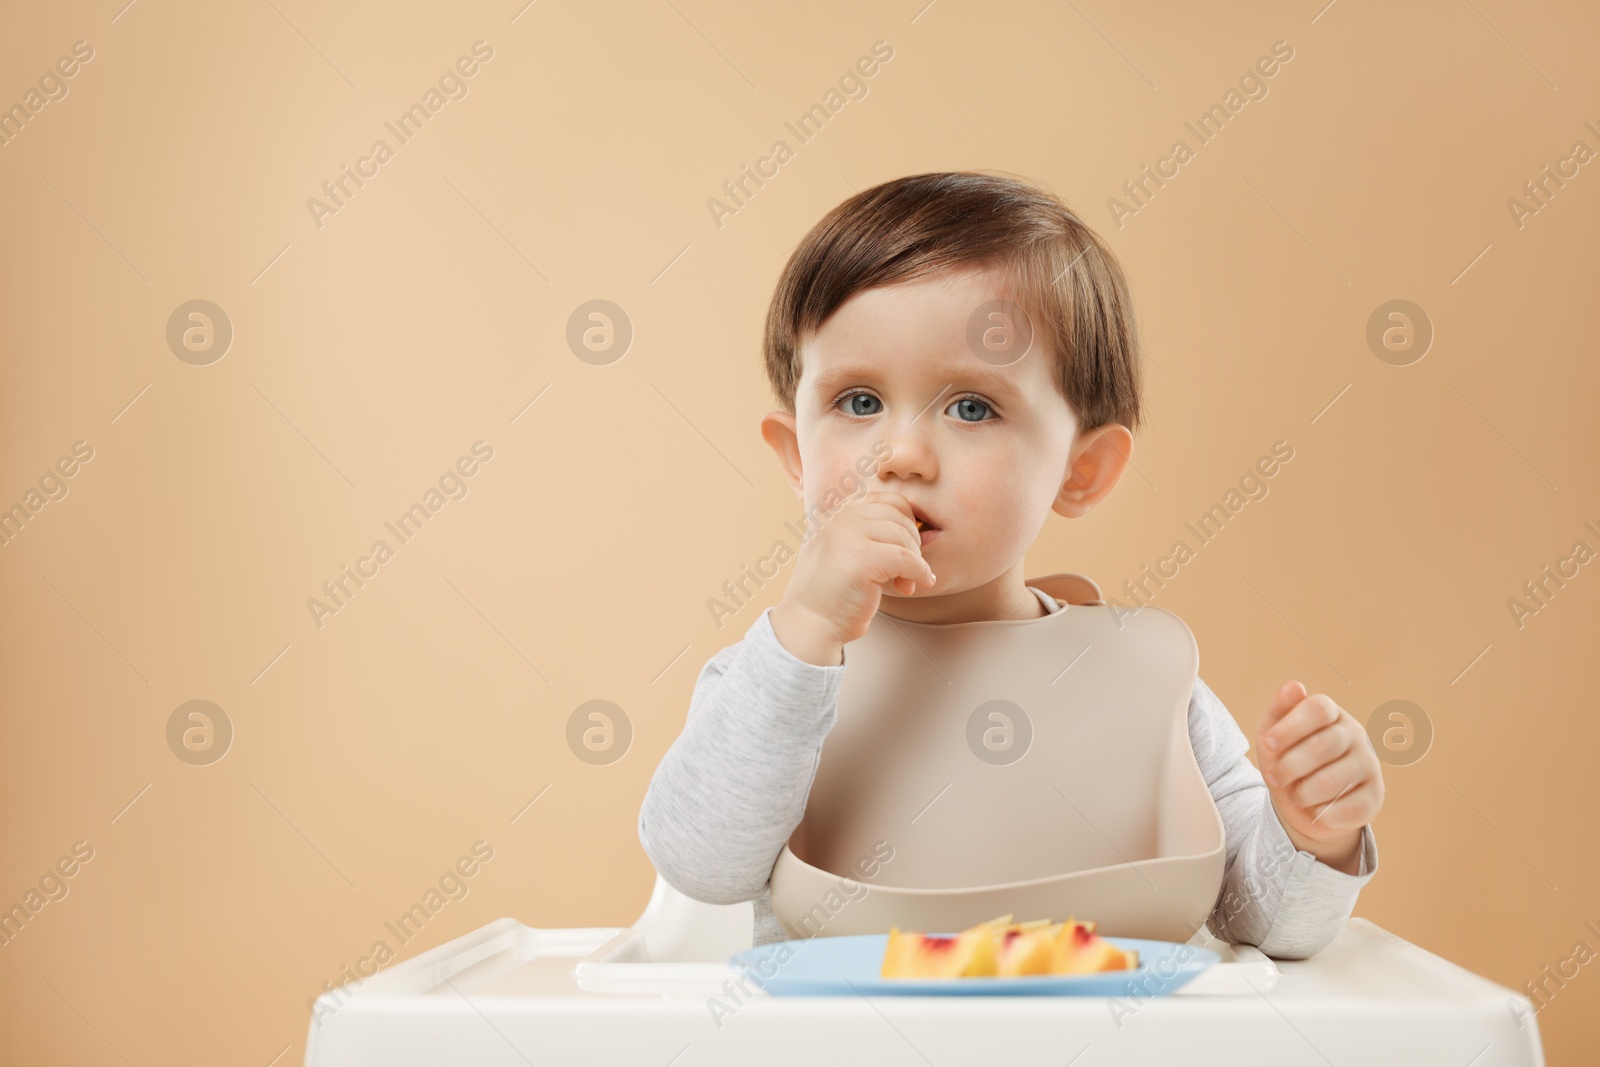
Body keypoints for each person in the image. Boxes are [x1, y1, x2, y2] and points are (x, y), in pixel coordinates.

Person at [639, 171, 1383, 958]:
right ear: (796, 454)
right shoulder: (776, 674)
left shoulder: (1139, 672)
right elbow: (703, 863)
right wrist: (806, 632)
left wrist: (1313, 835)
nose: (902, 455)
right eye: (858, 402)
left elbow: (1261, 923)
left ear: (1080, 469)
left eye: (971, 407)